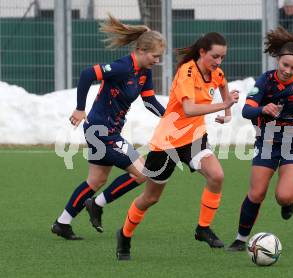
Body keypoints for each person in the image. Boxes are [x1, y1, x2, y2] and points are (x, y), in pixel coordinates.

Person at [115, 32, 240, 260]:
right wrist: (224, 104)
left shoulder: (216, 72)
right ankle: (124, 235)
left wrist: (228, 112)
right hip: (167, 143)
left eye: (222, 57)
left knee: (217, 176)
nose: (219, 62)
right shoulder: (187, 72)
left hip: (194, 138)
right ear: (202, 52)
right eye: (215, 56)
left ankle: (202, 228)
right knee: (150, 198)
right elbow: (189, 109)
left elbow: (222, 83)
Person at [51, 15, 167, 240]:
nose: (157, 61)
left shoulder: (145, 73)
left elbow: (149, 101)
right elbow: (87, 74)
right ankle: (96, 204)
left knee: (96, 180)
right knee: (143, 172)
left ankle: (62, 223)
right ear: (141, 50)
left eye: (159, 57)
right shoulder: (122, 67)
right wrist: (79, 108)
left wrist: (170, 117)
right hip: (100, 130)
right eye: (155, 56)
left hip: (110, 131)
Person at [226, 26, 293, 251]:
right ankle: (241, 239)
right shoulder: (265, 81)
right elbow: (246, 111)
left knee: (283, 196)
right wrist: (263, 108)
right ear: (278, 60)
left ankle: (288, 203)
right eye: (285, 65)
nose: (288, 71)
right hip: (268, 141)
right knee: (257, 193)